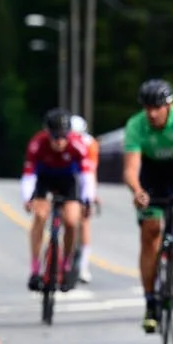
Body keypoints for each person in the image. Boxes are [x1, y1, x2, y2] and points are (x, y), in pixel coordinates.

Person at [124, 79, 173, 333]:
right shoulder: (136, 125)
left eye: (157, 108)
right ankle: (150, 301)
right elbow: (131, 168)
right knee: (150, 233)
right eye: (148, 108)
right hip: (151, 174)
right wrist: (137, 191)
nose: (152, 113)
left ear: (169, 106)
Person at [19, 107, 95, 292]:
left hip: (68, 181)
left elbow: (87, 176)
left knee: (71, 221)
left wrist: (87, 199)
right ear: (48, 133)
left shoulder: (77, 144)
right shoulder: (37, 144)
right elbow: (29, 175)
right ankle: (35, 268)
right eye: (55, 137)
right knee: (40, 216)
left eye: (63, 137)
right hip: (45, 180)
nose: (60, 142)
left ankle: (66, 264)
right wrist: (28, 198)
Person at [69, 114, 99, 283]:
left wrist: (91, 195)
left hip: (83, 179)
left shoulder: (89, 144)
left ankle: (83, 266)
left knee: (84, 220)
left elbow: (91, 171)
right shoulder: (61, 140)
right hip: (66, 178)